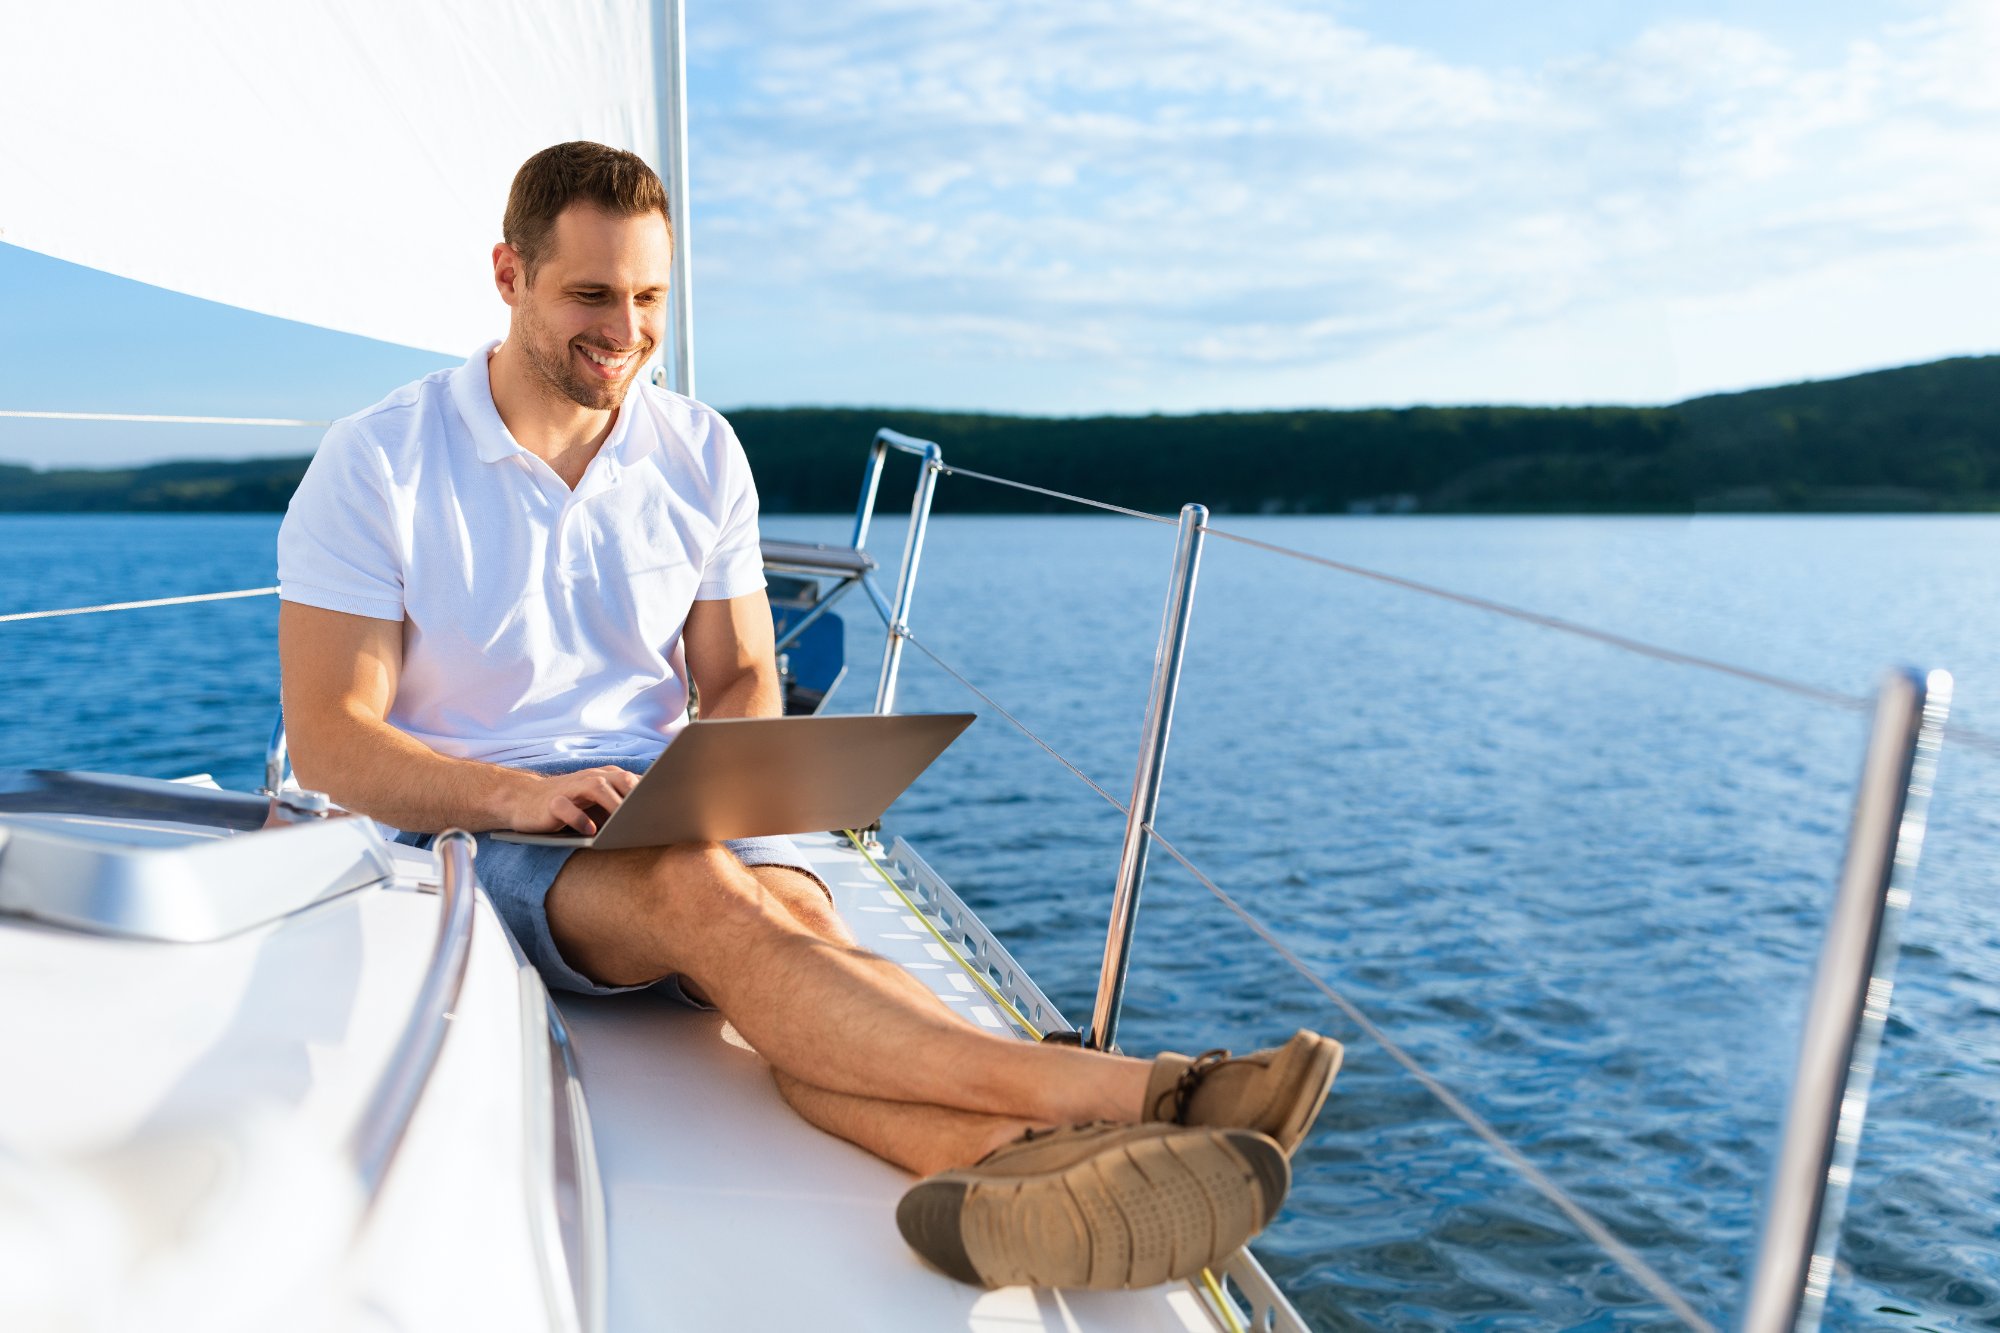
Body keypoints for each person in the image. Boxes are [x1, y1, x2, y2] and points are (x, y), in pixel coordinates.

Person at [277, 140, 1342, 1291]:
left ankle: (982, 1169)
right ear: (508, 275)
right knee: (700, 895)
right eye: (590, 294)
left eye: (648, 298)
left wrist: (728, 786)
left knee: (796, 935)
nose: (625, 330)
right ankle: (1135, 1091)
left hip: (657, 807)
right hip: (471, 837)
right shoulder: (380, 460)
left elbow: (737, 676)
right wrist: (524, 795)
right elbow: (336, 741)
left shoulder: (697, 449)